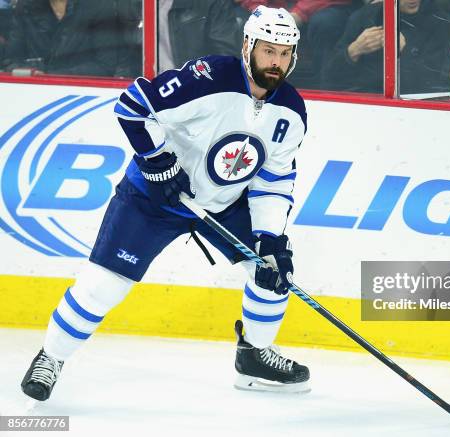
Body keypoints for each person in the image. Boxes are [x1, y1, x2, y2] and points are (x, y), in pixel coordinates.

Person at [20, 5, 310, 402]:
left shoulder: (291, 111)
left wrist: (270, 238)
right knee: (104, 284)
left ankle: (254, 355)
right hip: (154, 198)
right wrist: (158, 163)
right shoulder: (210, 78)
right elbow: (134, 107)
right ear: (248, 47)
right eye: (268, 50)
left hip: (223, 204)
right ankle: (51, 357)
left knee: (271, 272)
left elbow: (273, 179)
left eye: (283, 53)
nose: (275, 62)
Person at [322, 0, 450, 93]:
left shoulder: (440, 23)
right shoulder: (366, 16)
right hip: (363, 102)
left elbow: (435, 88)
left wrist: (404, 54)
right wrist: (353, 50)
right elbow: (328, 79)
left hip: (411, 111)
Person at [234, 0, 357, 88]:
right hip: (269, 8)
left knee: (325, 23)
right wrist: (259, 11)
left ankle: (326, 88)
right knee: (241, 23)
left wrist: (298, 14)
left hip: (323, 6)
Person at [1, 0, 119, 76]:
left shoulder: (99, 6)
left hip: (83, 94)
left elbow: (106, 65)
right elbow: (11, 60)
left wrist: (50, 76)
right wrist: (32, 73)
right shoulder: (27, 6)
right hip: (33, 91)